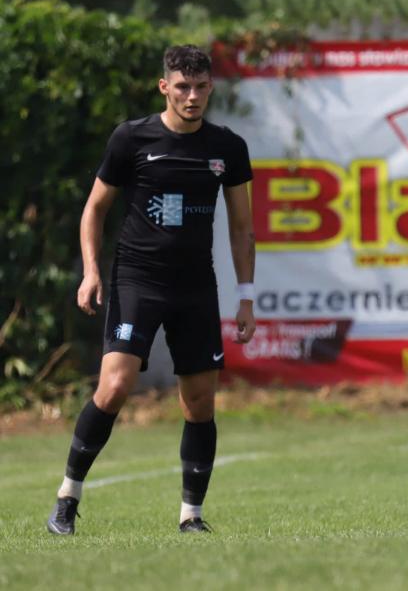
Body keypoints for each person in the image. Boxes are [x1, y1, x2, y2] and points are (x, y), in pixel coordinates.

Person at [46, 45, 256, 535]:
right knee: (115, 386)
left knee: (199, 402)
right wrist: (91, 272)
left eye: (200, 87)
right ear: (165, 87)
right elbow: (95, 209)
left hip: (195, 286)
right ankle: (67, 498)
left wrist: (246, 296)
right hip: (138, 280)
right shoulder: (132, 138)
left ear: (211, 88)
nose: (192, 96)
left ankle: (191, 517)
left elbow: (242, 227)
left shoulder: (227, 148)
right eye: (182, 87)